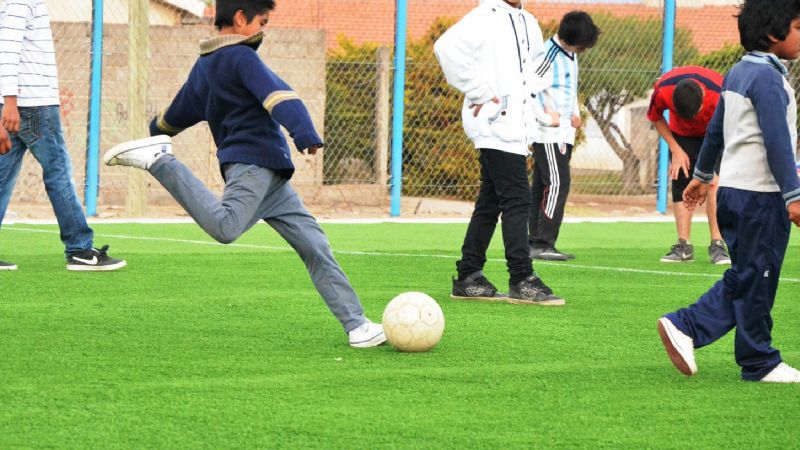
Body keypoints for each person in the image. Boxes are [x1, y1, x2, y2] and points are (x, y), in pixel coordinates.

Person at [103, 0, 385, 348]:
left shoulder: (206, 64)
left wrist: (158, 129)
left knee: (314, 245)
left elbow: (181, 109)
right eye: (262, 22)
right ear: (240, 18)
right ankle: (160, 161)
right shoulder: (242, 57)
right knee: (226, 227)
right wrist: (304, 132)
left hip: (272, 180)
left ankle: (357, 325)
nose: (264, 29)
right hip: (253, 165)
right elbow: (278, 94)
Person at [657, 0, 800, 383]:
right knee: (759, 276)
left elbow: (716, 130)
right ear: (773, 33)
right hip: (761, 196)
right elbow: (777, 142)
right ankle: (747, 355)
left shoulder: (737, 72)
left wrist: (702, 175)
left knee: (748, 273)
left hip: (734, 194)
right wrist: (793, 195)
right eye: (798, 28)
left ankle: (742, 351)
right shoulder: (768, 79)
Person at [434, 0, 564, 306]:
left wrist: (540, 114)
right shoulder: (484, 17)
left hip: (516, 128)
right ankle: (521, 278)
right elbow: (446, 49)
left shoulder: (528, 22)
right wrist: (479, 92)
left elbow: (530, 76)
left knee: (490, 201)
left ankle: (468, 275)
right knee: (518, 198)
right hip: (493, 125)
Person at [0, 0, 125, 271]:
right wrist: (8, 101)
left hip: (18, 104)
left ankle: (79, 246)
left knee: (2, 177)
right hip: (34, 104)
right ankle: (80, 248)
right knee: (58, 172)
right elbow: (7, 47)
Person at [528, 11, 599, 261]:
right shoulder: (548, 56)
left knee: (543, 185)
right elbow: (528, 92)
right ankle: (542, 242)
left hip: (563, 132)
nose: (584, 50)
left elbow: (566, 88)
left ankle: (534, 241)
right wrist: (546, 118)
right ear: (571, 39)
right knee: (558, 184)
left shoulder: (570, 54)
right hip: (549, 134)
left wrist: (575, 112)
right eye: (583, 45)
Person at [647, 66, 731, 265]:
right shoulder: (663, 89)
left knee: (713, 183)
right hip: (680, 135)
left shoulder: (720, 93)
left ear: (703, 99)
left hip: (713, 135)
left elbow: (728, 129)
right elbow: (654, 117)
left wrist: (709, 171)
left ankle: (718, 245)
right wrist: (675, 148)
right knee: (680, 176)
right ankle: (683, 246)